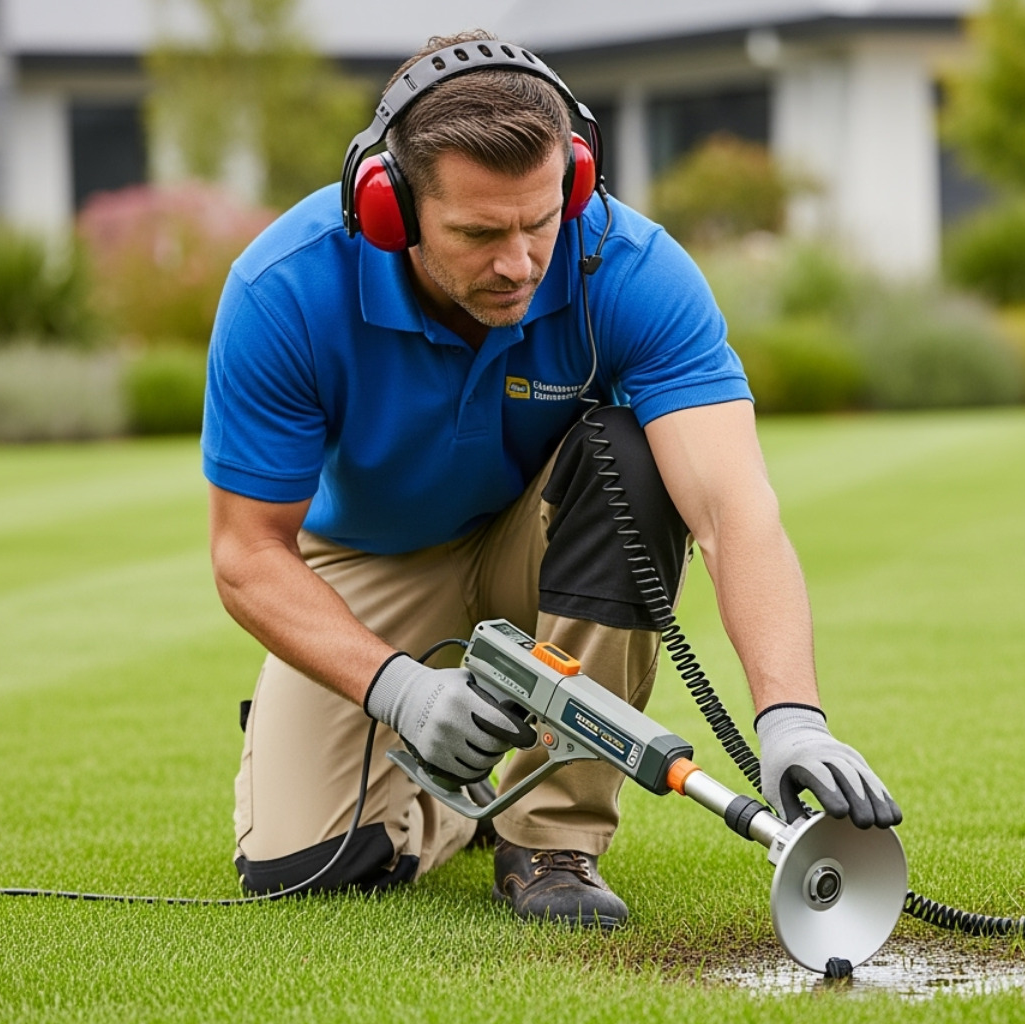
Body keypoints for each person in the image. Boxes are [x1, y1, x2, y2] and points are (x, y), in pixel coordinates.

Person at [203, 29, 901, 929]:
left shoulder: (633, 268)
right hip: (373, 561)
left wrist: (791, 716)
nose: (519, 262)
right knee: (308, 869)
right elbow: (248, 555)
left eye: (540, 222)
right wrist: (400, 690)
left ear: (574, 182)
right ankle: (455, 802)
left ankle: (550, 837)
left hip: (544, 545)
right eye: (478, 233)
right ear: (390, 210)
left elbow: (733, 511)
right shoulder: (283, 290)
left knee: (633, 458)